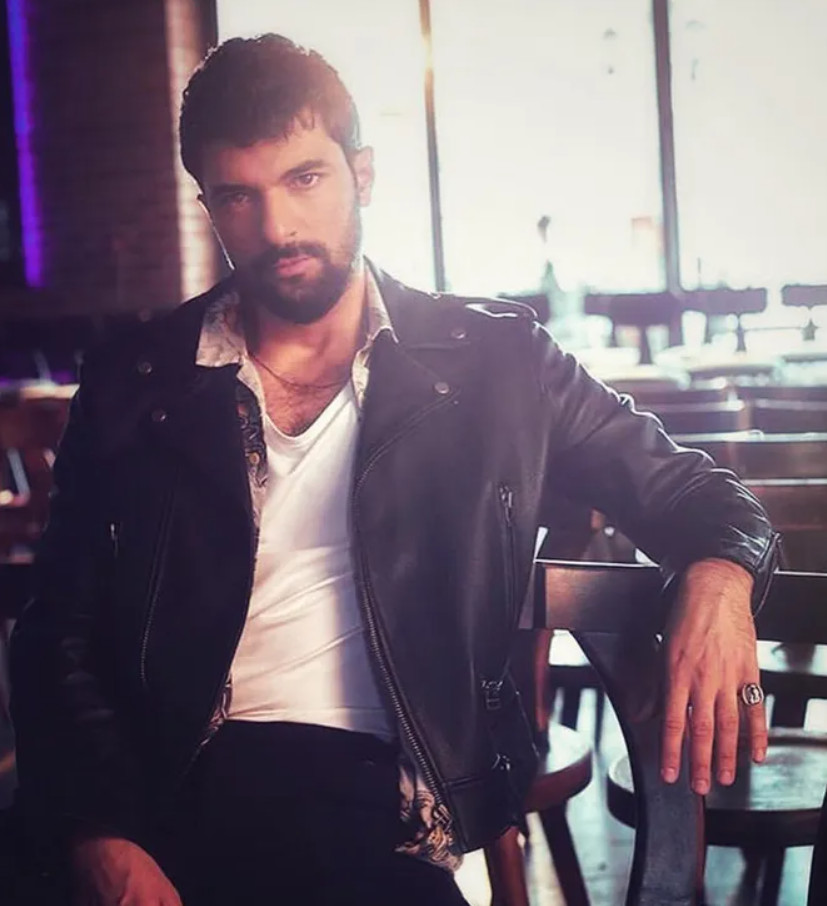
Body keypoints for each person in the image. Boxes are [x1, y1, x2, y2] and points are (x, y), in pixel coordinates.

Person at [10, 34, 777, 906]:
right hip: (168, 793)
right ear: (208, 206)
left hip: (379, 798)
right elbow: (54, 629)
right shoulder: (136, 381)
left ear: (362, 174)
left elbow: (697, 495)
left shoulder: (498, 363)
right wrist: (100, 836)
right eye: (238, 196)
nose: (277, 228)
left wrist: (720, 576)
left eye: (305, 178)